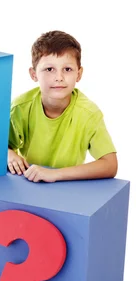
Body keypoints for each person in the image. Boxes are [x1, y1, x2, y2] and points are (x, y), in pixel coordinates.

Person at [7, 30, 117, 182]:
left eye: (67, 69)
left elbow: (110, 165)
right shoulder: (20, 107)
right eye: (49, 69)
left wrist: (54, 174)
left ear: (78, 74)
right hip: (28, 182)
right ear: (34, 74)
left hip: (68, 187)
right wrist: (9, 154)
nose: (59, 78)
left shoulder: (89, 113)